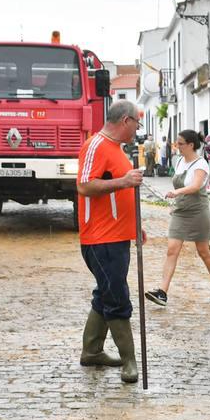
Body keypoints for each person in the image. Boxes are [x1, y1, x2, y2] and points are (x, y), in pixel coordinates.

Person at [76, 100, 145, 384]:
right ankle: (129, 360)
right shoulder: (95, 145)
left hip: (117, 236)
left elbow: (121, 191)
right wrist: (124, 182)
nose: (137, 130)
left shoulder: (117, 149)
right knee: (116, 296)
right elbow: (84, 185)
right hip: (100, 238)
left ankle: (92, 351)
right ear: (126, 120)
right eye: (137, 124)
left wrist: (135, 225)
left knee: (106, 292)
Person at [144, 129, 210, 307]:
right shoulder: (180, 160)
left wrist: (177, 192)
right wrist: (176, 203)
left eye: (180, 143)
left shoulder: (201, 164)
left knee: (203, 251)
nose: (177, 146)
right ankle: (162, 292)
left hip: (198, 210)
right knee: (172, 250)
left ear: (190, 145)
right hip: (181, 211)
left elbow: (196, 186)